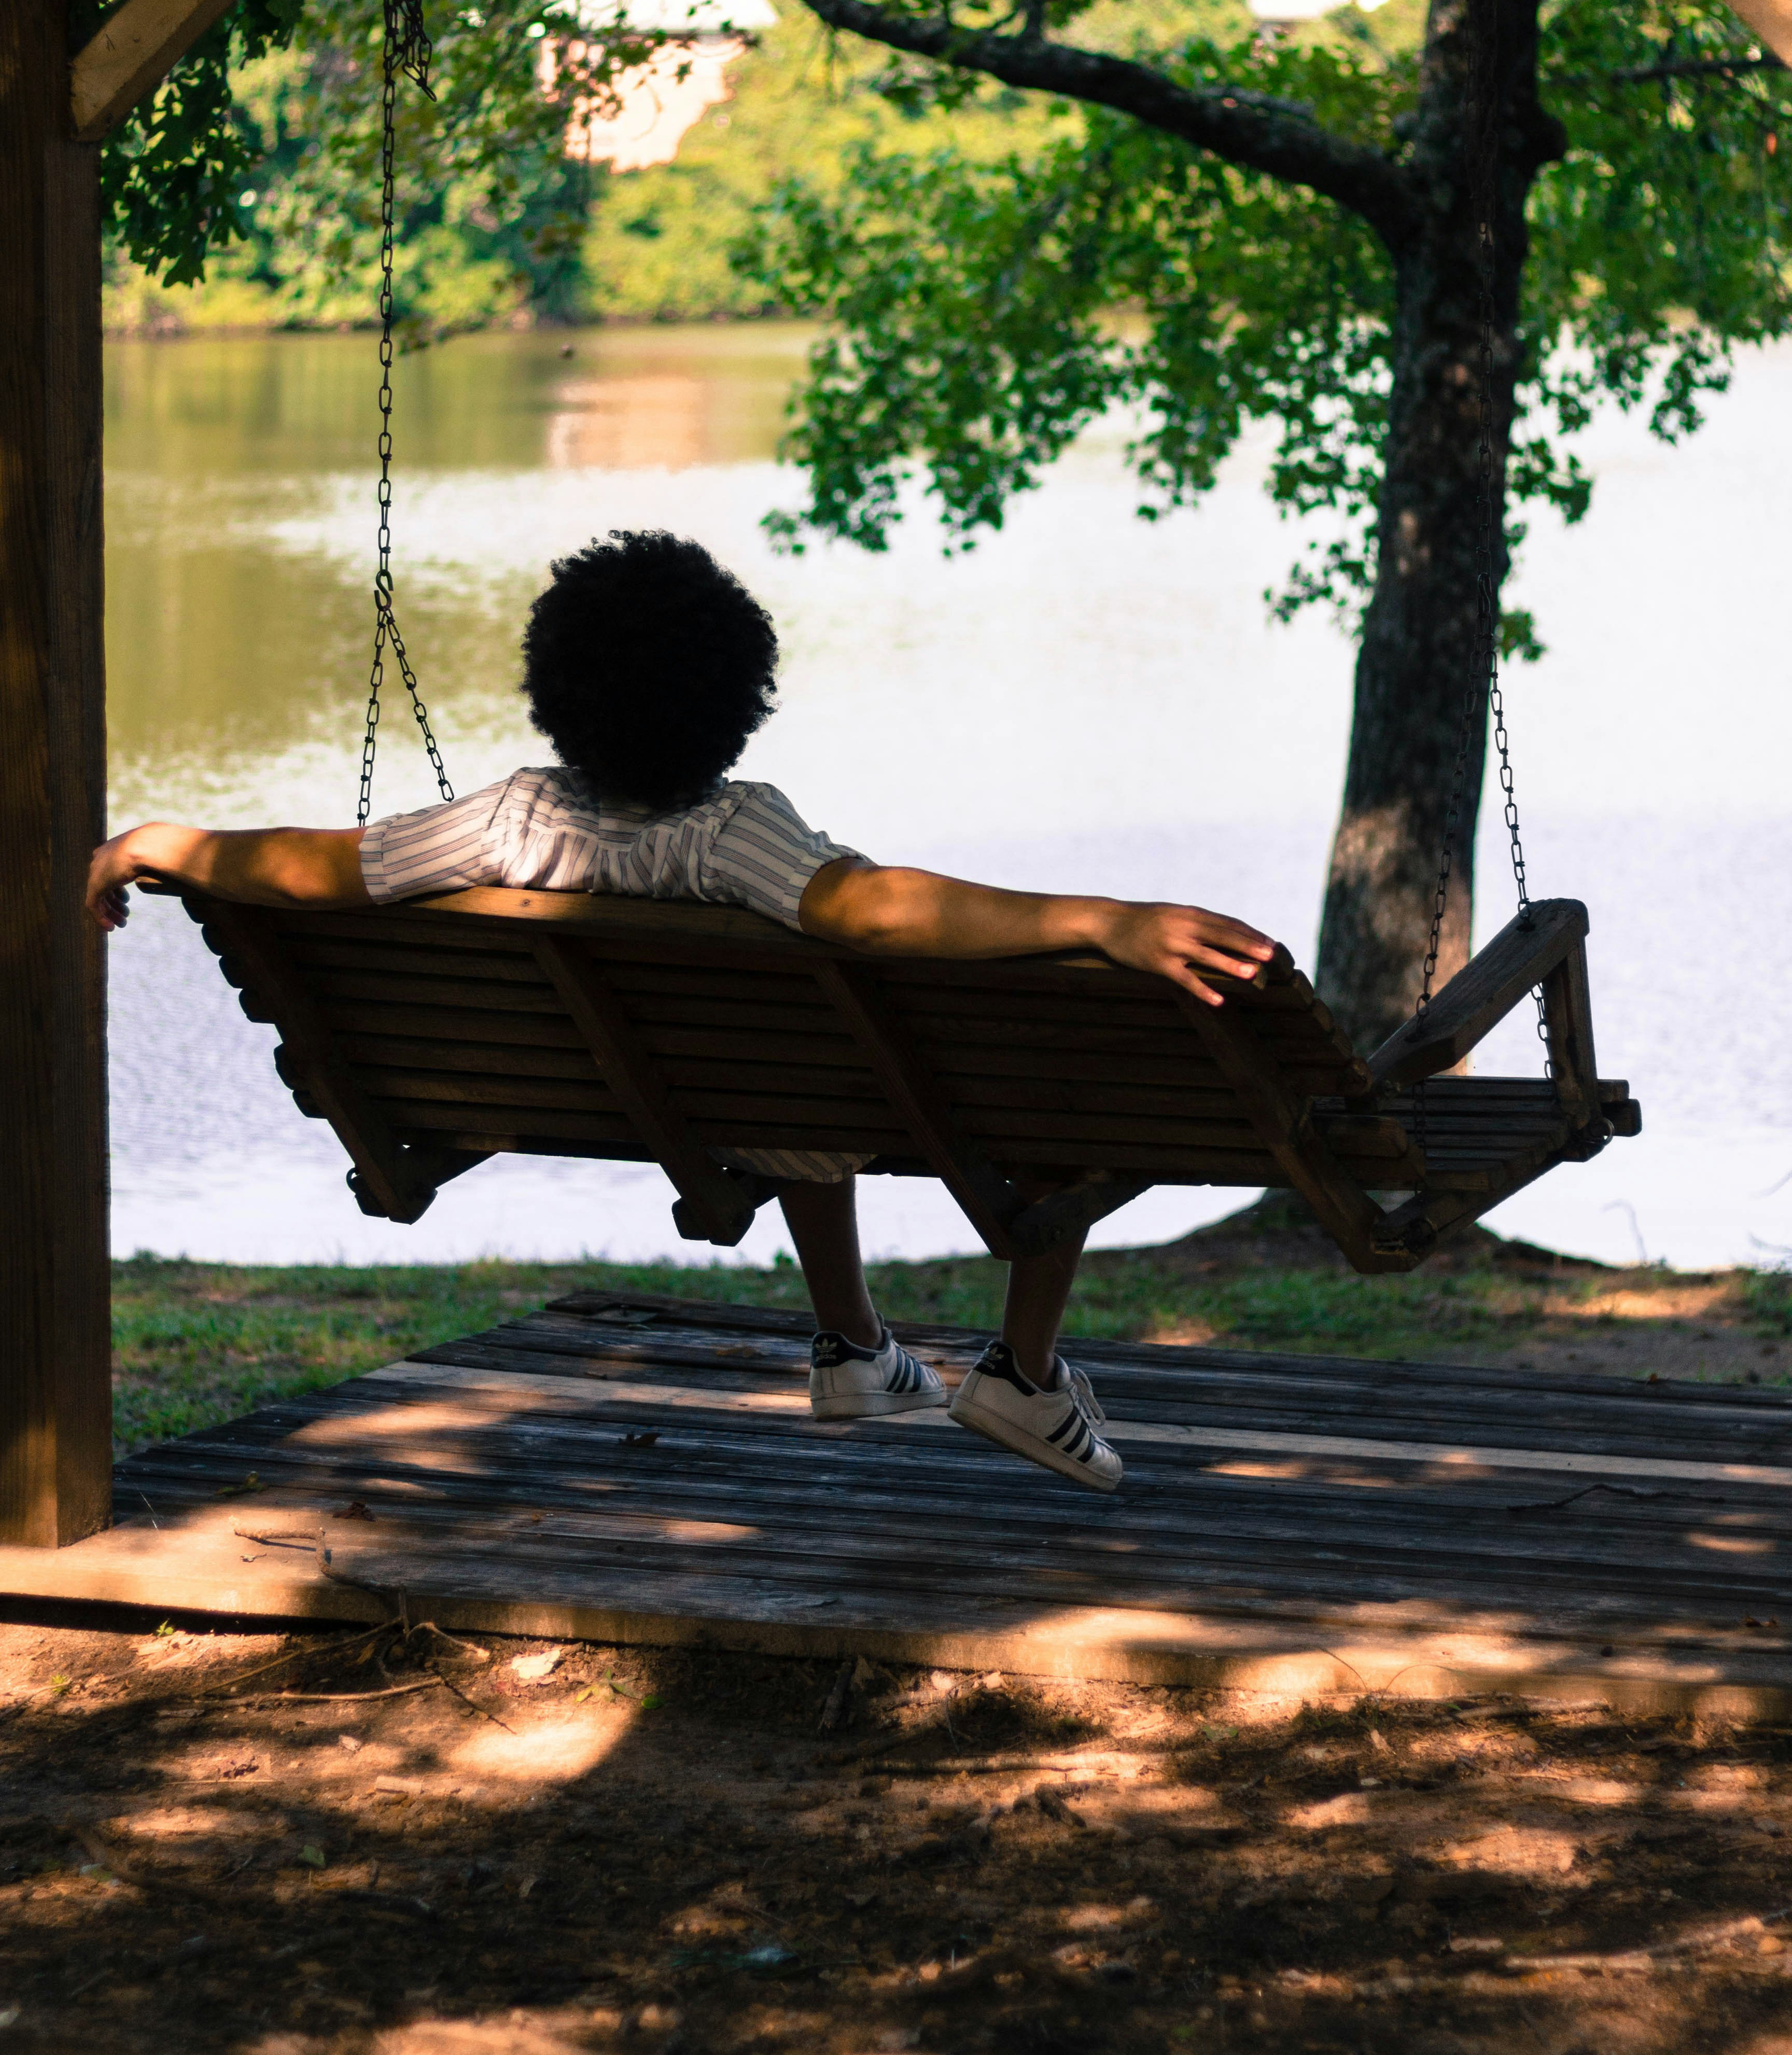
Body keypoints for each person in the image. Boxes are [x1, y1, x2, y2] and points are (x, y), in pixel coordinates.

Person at [87, 528, 1275, 1494]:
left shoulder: (510, 823)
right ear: (736, 699)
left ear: (561, 695)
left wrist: (169, 843)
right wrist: (1099, 922)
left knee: (786, 1063)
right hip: (799, 1091)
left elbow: (318, 869)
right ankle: (1020, 1371)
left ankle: (856, 1346)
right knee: (1047, 1080)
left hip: (689, 1102)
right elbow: (874, 910)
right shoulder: (737, 834)